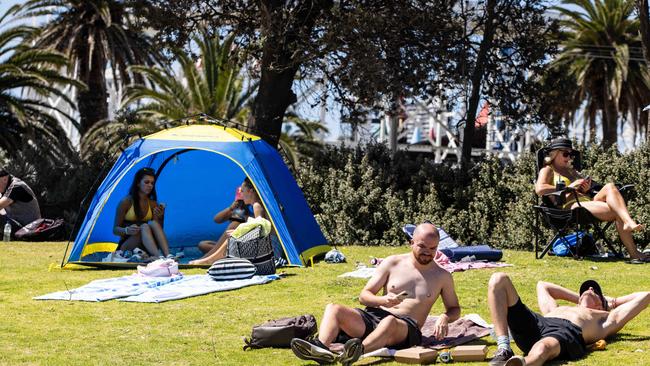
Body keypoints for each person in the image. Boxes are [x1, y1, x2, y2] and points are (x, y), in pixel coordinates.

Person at [290, 222, 461, 366]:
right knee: (333, 308)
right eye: (422, 246)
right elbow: (364, 296)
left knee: (389, 322)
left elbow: (454, 309)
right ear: (411, 242)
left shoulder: (442, 276)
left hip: (406, 328)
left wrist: (445, 317)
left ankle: (356, 352)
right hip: (374, 317)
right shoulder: (392, 262)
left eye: (433, 248)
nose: (427, 252)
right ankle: (321, 349)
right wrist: (383, 300)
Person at [487, 272, 650, 366]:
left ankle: (523, 364)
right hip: (539, 323)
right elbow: (542, 285)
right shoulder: (555, 309)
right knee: (499, 279)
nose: (590, 288)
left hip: (566, 331)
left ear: (602, 305)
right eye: (587, 289)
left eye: (595, 291)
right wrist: (582, 298)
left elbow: (645, 296)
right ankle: (504, 348)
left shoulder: (606, 319)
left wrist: (610, 302)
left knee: (543, 347)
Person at [535, 137, 647, 261]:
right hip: (570, 206)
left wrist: (586, 188)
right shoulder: (548, 169)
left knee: (610, 187)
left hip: (587, 202)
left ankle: (628, 223)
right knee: (618, 211)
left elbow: (585, 190)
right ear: (554, 154)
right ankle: (634, 251)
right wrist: (569, 187)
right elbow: (540, 189)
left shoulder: (572, 172)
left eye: (570, 154)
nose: (569, 157)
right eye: (565, 154)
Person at [189, 177, 282, 265]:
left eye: (243, 191)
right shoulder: (257, 205)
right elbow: (216, 219)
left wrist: (240, 233)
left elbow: (261, 231)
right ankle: (209, 259)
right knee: (230, 236)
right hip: (268, 248)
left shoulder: (257, 205)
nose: (241, 194)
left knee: (233, 235)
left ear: (251, 191)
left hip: (269, 251)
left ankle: (209, 260)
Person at [113, 167, 171, 259]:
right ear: (138, 183)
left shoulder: (153, 204)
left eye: (152, 183)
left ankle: (168, 255)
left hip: (147, 245)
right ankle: (158, 257)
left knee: (151, 224)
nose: (150, 185)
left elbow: (158, 231)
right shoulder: (126, 202)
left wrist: (161, 217)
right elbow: (115, 230)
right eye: (146, 182)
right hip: (128, 244)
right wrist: (127, 230)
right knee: (144, 226)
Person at [197, 187, 249, 254]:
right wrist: (230, 208)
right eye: (239, 202)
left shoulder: (255, 210)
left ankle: (212, 256)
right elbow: (217, 220)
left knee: (234, 224)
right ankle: (219, 253)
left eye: (242, 202)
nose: (242, 204)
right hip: (229, 245)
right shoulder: (236, 212)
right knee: (203, 244)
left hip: (241, 246)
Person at [0, 169, 41, 234]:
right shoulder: (6, 188)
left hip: (29, 228)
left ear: (4, 179)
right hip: (21, 227)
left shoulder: (17, 186)